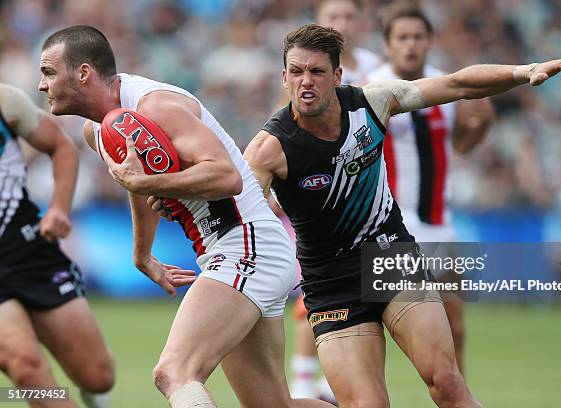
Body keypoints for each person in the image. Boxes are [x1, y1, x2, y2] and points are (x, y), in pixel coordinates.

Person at [241, 24, 561, 407]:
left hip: (389, 257)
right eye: (297, 71)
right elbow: (240, 216)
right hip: (329, 282)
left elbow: (457, 85)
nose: (306, 81)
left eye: (317, 72)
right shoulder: (268, 149)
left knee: (447, 384)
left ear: (337, 76)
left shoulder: (372, 103)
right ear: (284, 77)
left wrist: (525, 71)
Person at [38, 25, 335, 408]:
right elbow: (140, 183)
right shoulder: (98, 130)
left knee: (173, 372)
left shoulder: (155, 106)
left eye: (48, 72)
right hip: (237, 249)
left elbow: (227, 176)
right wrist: (142, 253)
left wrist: (157, 181)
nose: (42, 85)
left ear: (82, 73)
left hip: (245, 241)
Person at [367, 4, 496, 374]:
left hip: (438, 223)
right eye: (402, 38)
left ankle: (458, 393)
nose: (411, 45)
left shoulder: (448, 87)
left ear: (429, 42)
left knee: (454, 323)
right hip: (385, 226)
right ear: (388, 45)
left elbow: (458, 148)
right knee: (376, 323)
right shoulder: (371, 89)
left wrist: (482, 124)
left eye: (417, 37)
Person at [0, 83, 114, 408]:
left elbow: (62, 147)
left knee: (97, 376)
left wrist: (59, 209)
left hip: (28, 249)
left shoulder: (6, 101)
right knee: (26, 367)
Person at [289, 1, 381, 401]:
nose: (341, 23)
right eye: (333, 17)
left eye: (348, 17)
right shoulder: (309, 71)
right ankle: (305, 380)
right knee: (312, 297)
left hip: (377, 200)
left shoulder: (378, 72)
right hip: (321, 198)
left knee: (422, 310)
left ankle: (346, 377)